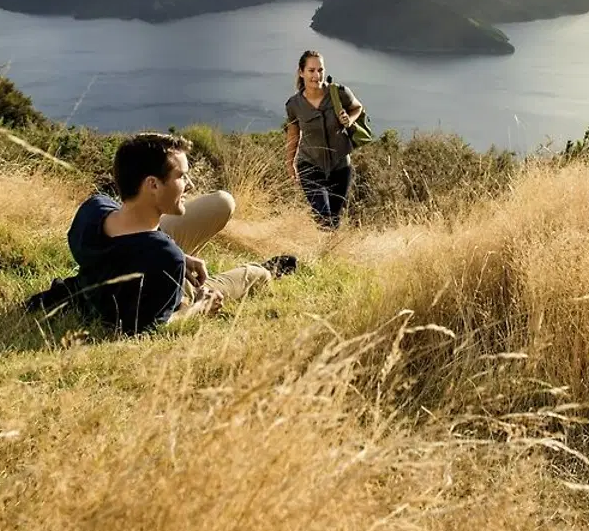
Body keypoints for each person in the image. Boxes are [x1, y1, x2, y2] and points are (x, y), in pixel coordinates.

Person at [34, 132, 293, 334]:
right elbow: (156, 326)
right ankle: (268, 269)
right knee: (256, 275)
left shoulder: (93, 209)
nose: (189, 185)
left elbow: (134, 239)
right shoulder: (165, 259)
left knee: (222, 202)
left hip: (134, 255)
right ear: (152, 184)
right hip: (162, 275)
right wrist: (200, 307)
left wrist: (180, 254)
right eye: (181, 176)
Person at [284, 50, 363, 229]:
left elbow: (357, 108)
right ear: (301, 72)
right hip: (310, 164)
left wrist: (349, 119)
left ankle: (326, 253)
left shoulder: (339, 93)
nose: (316, 75)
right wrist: (290, 163)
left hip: (340, 165)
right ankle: (322, 248)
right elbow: (293, 134)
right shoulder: (294, 105)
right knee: (323, 215)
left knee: (334, 218)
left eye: (320, 70)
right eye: (311, 70)